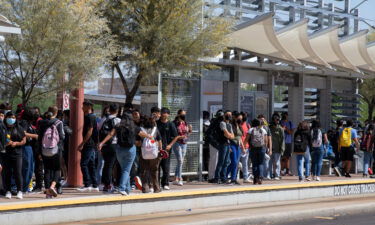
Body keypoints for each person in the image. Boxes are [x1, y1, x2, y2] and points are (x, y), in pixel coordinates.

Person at [98, 113, 140, 196]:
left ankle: (127, 190)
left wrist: (102, 143)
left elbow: (110, 134)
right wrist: (150, 137)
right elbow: (142, 134)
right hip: (130, 150)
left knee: (124, 169)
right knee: (126, 170)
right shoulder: (133, 127)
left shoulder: (118, 126)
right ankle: (121, 188)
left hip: (119, 150)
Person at [39, 106, 65, 197]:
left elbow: (39, 137)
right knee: (57, 169)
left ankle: (47, 192)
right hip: (56, 150)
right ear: (56, 112)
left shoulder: (42, 122)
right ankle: (52, 186)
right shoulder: (59, 122)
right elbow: (62, 137)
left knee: (47, 170)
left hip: (44, 149)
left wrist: (39, 151)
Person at [3, 111, 26, 199]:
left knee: (18, 172)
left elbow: (24, 141)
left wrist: (16, 143)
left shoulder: (19, 128)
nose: (11, 119)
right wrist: (7, 143)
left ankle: (19, 191)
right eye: (9, 117)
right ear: (6, 118)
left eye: (13, 118)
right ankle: (8, 191)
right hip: (6, 154)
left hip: (17, 154)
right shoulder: (3, 128)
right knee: (7, 173)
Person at [98, 104, 121, 193]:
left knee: (107, 164)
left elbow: (98, 130)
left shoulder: (103, 119)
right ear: (117, 110)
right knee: (111, 165)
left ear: (109, 110)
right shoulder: (117, 120)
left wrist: (100, 143)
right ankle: (108, 184)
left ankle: (104, 184)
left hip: (104, 145)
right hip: (113, 144)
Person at [77, 100, 99, 192]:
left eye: (84, 106)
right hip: (91, 144)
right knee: (91, 164)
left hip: (89, 144)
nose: (82, 108)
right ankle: (94, 185)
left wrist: (82, 143)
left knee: (84, 164)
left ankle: (87, 184)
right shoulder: (91, 116)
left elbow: (90, 131)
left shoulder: (90, 117)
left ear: (89, 107)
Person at [157, 108, 180, 190]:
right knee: (156, 166)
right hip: (156, 149)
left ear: (168, 115)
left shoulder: (170, 124)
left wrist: (170, 145)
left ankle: (165, 183)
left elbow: (176, 136)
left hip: (166, 149)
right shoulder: (156, 123)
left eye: (166, 113)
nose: (164, 114)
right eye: (163, 113)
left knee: (166, 167)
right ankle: (156, 183)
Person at [138, 116, 162, 193]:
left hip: (143, 153)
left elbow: (137, 142)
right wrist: (160, 151)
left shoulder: (140, 130)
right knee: (154, 171)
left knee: (144, 170)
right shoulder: (155, 130)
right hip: (154, 154)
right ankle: (156, 188)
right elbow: (159, 141)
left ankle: (145, 188)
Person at [20, 108, 38, 193]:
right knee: (26, 168)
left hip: (30, 148)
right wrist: (35, 136)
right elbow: (23, 133)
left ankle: (26, 187)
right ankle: (23, 188)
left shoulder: (30, 123)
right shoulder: (24, 122)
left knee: (30, 169)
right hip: (25, 147)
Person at [214, 110, 235, 184]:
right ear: (224, 115)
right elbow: (226, 134)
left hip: (228, 144)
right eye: (228, 114)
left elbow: (232, 136)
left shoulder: (230, 125)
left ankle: (223, 177)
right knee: (221, 161)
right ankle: (217, 177)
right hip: (222, 144)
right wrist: (229, 135)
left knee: (226, 162)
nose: (229, 116)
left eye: (230, 114)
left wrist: (229, 135)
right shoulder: (222, 123)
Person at [245, 118, 267, 184]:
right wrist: (265, 148)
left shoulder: (251, 129)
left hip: (253, 148)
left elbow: (247, 139)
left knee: (254, 163)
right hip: (261, 148)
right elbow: (266, 141)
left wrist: (243, 146)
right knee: (261, 163)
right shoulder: (263, 130)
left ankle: (255, 178)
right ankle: (260, 177)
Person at [173, 109, 192, 186]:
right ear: (178, 115)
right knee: (180, 160)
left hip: (184, 143)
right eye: (182, 114)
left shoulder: (185, 123)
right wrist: (179, 137)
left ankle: (175, 178)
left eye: (184, 114)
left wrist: (190, 131)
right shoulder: (175, 123)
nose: (183, 116)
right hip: (177, 143)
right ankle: (180, 178)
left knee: (180, 161)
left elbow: (187, 134)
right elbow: (174, 134)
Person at [227, 112, 245, 185]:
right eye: (239, 118)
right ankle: (225, 176)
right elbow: (227, 136)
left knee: (236, 163)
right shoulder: (230, 125)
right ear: (235, 117)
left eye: (241, 118)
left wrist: (243, 147)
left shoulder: (239, 126)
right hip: (232, 144)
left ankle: (233, 179)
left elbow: (240, 137)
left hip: (238, 146)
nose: (240, 119)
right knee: (234, 161)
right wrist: (228, 146)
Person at [206, 110, 224, 183]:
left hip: (220, 144)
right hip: (214, 144)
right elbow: (209, 133)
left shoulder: (222, 123)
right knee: (214, 160)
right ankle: (211, 177)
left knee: (220, 161)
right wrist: (214, 142)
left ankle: (217, 176)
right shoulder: (214, 123)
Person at [269, 113, 285, 180]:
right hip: (270, 149)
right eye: (276, 119)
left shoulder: (280, 129)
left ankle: (277, 175)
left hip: (277, 149)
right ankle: (270, 175)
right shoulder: (269, 128)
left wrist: (282, 149)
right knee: (269, 163)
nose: (277, 121)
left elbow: (282, 140)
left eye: (278, 119)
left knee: (277, 163)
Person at [257, 115, 272, 180]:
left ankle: (266, 175)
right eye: (261, 119)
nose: (262, 121)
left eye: (263, 119)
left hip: (264, 148)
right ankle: (260, 175)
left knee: (266, 161)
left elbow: (269, 139)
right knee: (259, 162)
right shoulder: (255, 128)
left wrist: (270, 149)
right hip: (257, 148)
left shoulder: (266, 128)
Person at [240, 112, 251, 183]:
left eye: (246, 116)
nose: (245, 117)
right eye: (244, 116)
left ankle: (245, 177)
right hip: (239, 146)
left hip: (246, 147)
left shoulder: (248, 125)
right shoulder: (238, 125)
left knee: (245, 163)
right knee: (236, 162)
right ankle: (231, 177)